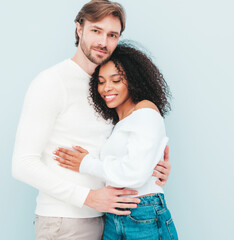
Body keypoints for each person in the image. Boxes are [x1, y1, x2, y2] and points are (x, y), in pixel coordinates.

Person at [12, 1, 171, 239]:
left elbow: (123, 144)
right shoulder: (52, 82)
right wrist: (88, 197)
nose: (103, 42)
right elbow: (22, 164)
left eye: (112, 35)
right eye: (96, 30)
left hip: (110, 219)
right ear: (79, 29)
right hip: (67, 221)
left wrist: (151, 167)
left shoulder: (109, 90)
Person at [53, 42, 178, 239]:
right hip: (113, 214)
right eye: (101, 81)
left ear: (134, 81)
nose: (106, 88)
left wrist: (86, 164)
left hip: (142, 212)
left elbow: (134, 174)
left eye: (116, 80)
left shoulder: (145, 110)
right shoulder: (118, 122)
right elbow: (130, 169)